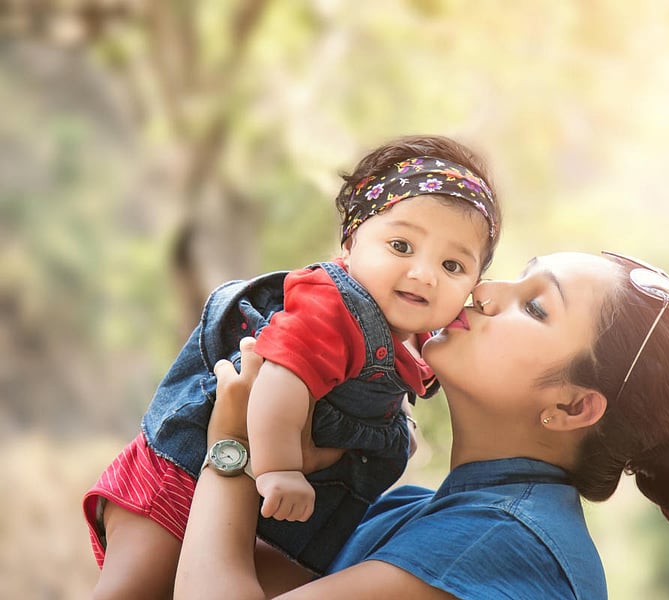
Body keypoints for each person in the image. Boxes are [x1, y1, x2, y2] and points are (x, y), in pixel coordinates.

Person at [174, 251, 669, 599]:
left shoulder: (498, 541)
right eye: (518, 275)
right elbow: (218, 570)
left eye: (535, 307)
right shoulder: (416, 513)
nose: (482, 290)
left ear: (572, 408)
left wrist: (232, 444)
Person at [83, 135, 503, 598]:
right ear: (351, 240)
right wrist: (279, 469)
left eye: (451, 265)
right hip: (178, 474)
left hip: (257, 514)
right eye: (401, 246)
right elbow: (279, 381)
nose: (425, 274)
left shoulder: (421, 342)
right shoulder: (332, 307)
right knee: (130, 588)